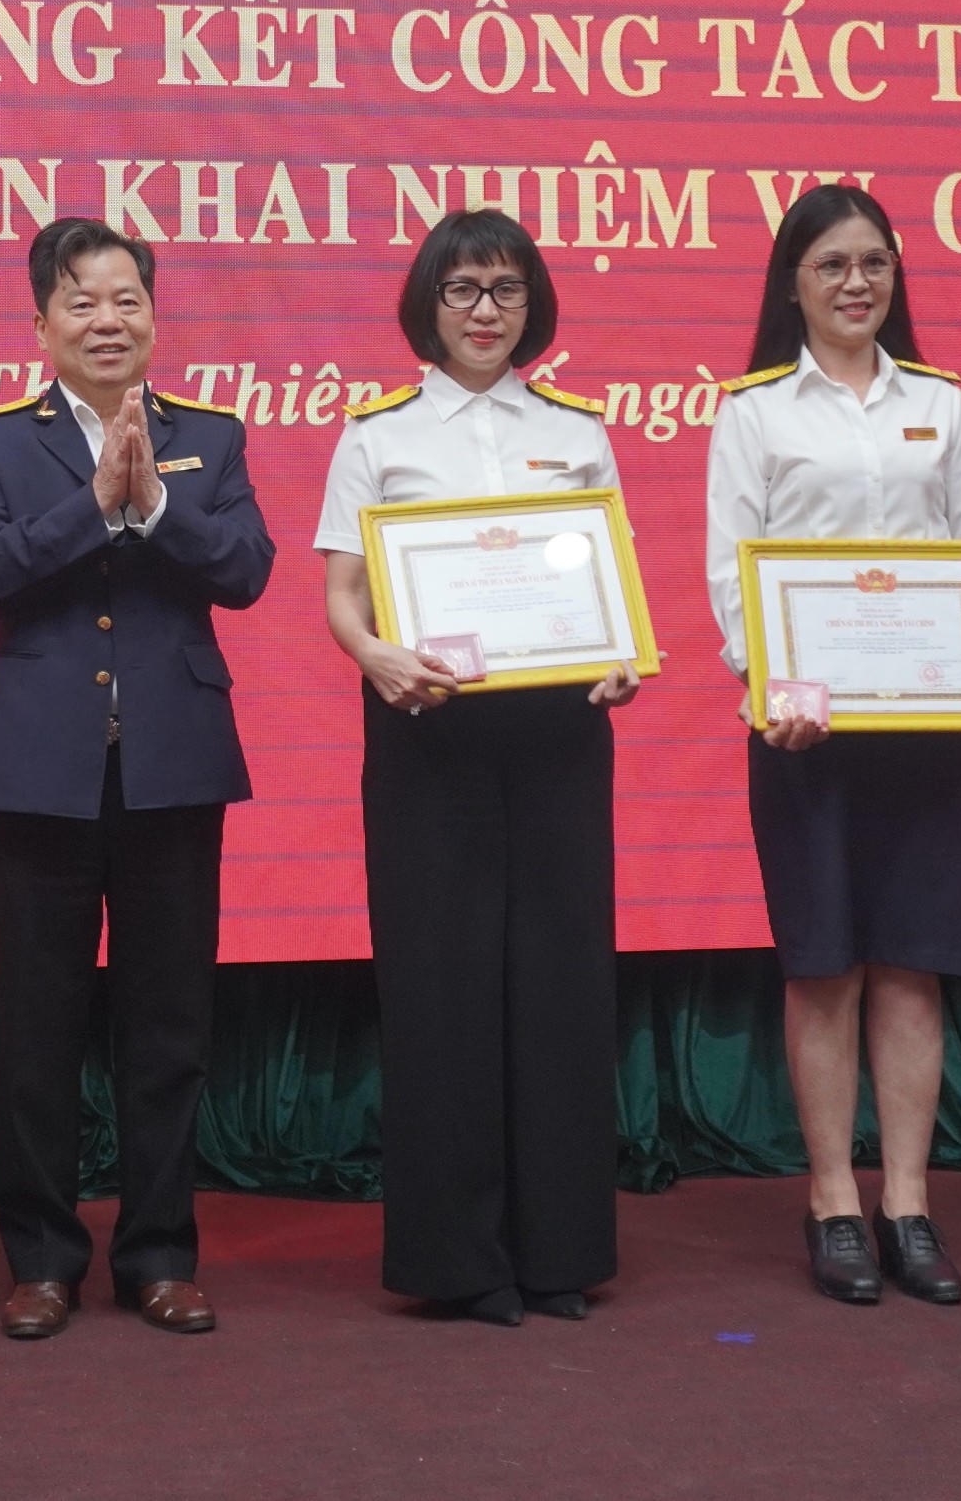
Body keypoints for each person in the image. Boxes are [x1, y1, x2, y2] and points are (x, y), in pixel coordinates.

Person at [0, 218, 274, 1341]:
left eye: (127, 299)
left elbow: (249, 570)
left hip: (173, 764)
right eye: (81, 302)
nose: (107, 320)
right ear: (41, 325)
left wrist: (159, 506)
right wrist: (91, 502)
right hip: (39, 768)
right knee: (37, 1025)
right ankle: (41, 1258)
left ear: (154, 316)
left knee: (168, 1025)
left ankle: (160, 1254)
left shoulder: (210, 437)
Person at [703, 184, 961, 1308]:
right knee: (823, 965)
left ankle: (908, 1203)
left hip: (929, 729)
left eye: (874, 264)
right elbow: (733, 569)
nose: (856, 283)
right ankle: (834, 1201)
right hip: (807, 732)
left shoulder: (940, 403)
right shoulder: (754, 412)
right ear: (792, 283)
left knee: (912, 964)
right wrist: (772, 686)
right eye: (832, 265)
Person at [315, 209, 639, 1325]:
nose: (485, 310)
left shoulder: (576, 432)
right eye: (463, 290)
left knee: (560, 984)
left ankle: (558, 1252)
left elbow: (610, 590)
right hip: (427, 731)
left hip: (558, 732)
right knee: (439, 986)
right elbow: (343, 597)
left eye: (505, 289)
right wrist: (374, 657)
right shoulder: (378, 435)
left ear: (531, 304)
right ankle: (459, 1261)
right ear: (429, 304)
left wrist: (620, 661)